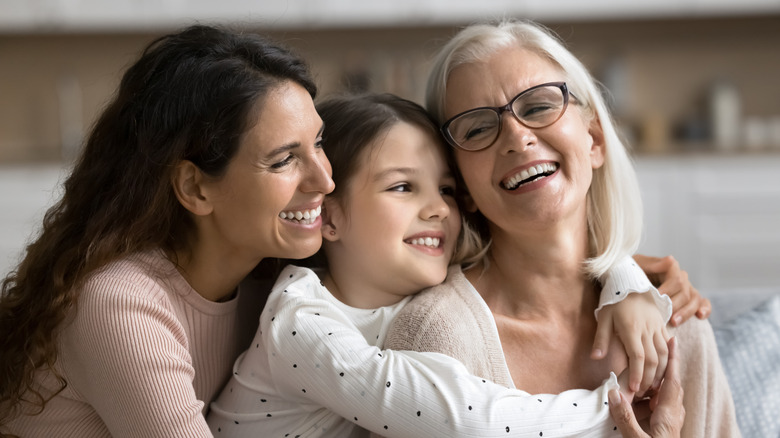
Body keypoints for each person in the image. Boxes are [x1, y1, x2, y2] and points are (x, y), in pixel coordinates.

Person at [207, 93, 682, 438]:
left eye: (447, 190)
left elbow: (554, 258)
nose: (438, 209)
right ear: (328, 217)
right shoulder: (299, 324)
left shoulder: (420, 288)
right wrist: (614, 405)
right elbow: (467, 418)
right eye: (402, 187)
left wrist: (627, 282)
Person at [383, 19, 740, 437]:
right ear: (461, 187)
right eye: (478, 128)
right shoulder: (433, 338)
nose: (516, 137)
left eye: (537, 106)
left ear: (594, 140)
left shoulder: (678, 327)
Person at [0, 24, 334, 437]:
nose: (324, 180)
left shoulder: (270, 283)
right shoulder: (121, 305)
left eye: (319, 143)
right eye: (283, 160)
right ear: (194, 187)